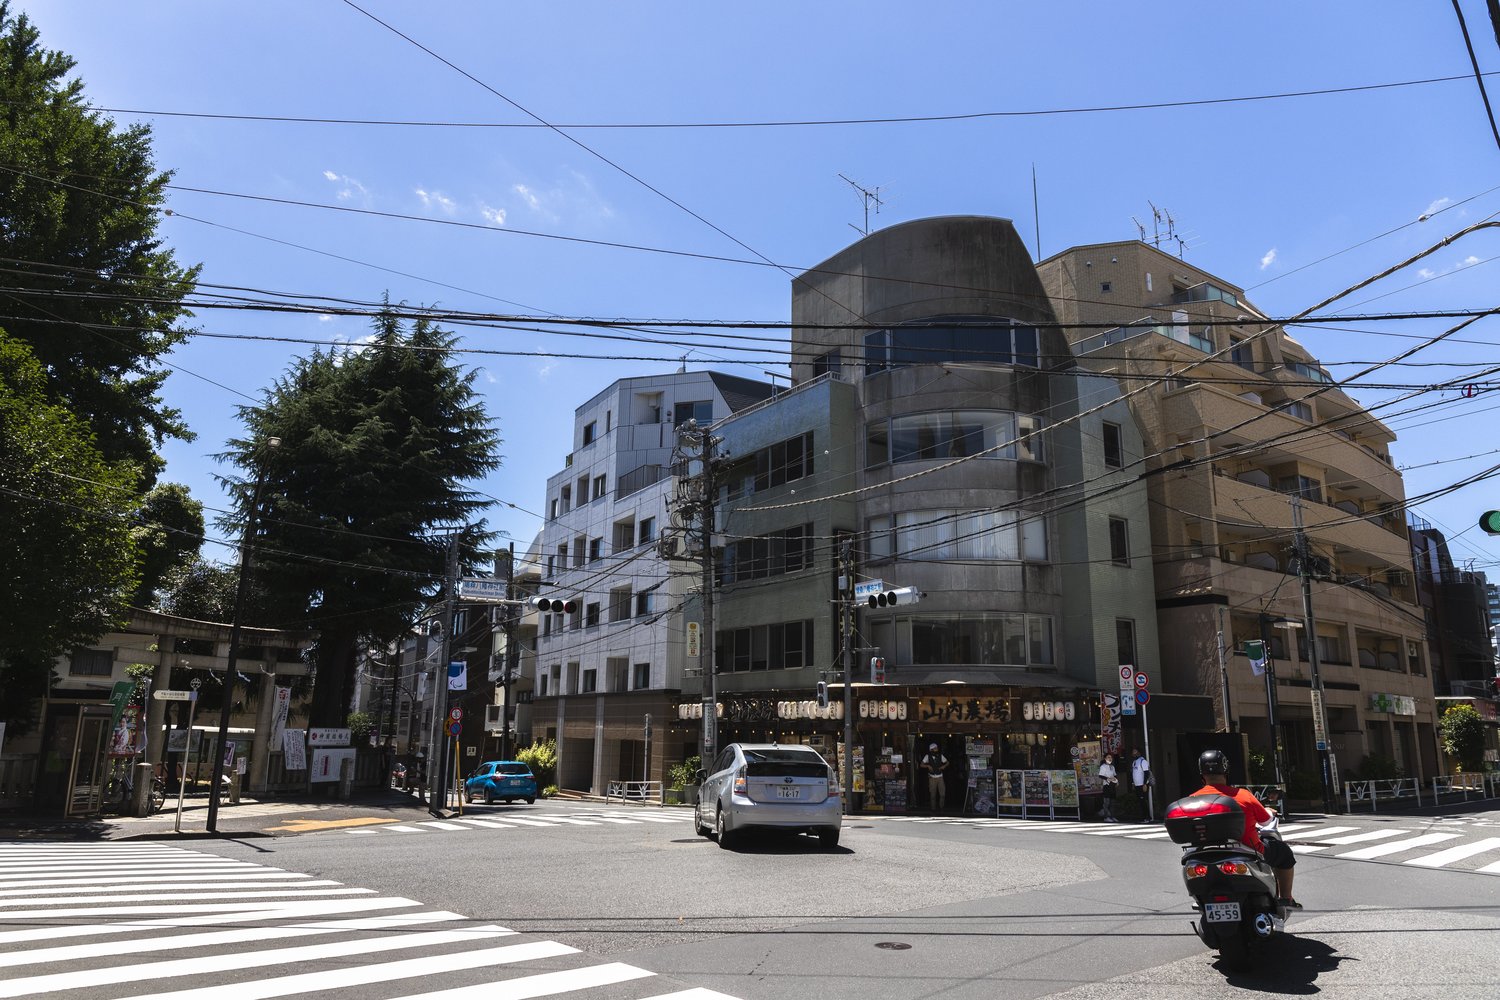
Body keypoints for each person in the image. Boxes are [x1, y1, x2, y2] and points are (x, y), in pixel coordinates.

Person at [1190, 749, 1300, 909]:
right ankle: (1286, 898)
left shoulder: (1192, 800)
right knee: (1284, 853)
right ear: (1226, 770)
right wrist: (1268, 810)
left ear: (1201, 773)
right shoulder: (1243, 795)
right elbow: (1266, 821)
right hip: (1249, 850)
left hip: (1203, 854)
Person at [921, 743, 948, 813]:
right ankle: (933, 809)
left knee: (942, 794)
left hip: (940, 777)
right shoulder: (927, 756)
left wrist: (944, 766)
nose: (937, 749)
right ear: (931, 749)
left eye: (937, 748)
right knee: (932, 794)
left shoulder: (940, 755)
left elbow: (947, 762)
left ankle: (941, 807)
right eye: (936, 748)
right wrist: (927, 766)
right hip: (932, 777)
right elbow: (921, 764)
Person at [1130, 748, 1152, 821]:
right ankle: (1143, 816)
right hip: (1137, 785)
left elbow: (1146, 773)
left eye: (1135, 751)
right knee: (1140, 801)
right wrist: (1133, 783)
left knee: (1143, 800)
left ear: (1139, 752)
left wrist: (1145, 784)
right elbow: (1133, 774)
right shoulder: (1134, 762)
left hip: (1143, 784)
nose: (1134, 753)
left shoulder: (1143, 761)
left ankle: (1147, 817)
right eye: (1133, 752)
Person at [1097, 753, 1119, 821]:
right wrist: (1108, 779)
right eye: (1108, 757)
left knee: (1113, 802)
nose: (1110, 758)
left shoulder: (1112, 767)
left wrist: (1117, 781)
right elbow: (1100, 775)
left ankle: (1112, 816)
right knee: (1106, 802)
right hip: (1106, 786)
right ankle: (1106, 817)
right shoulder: (1103, 766)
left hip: (1112, 786)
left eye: (1111, 757)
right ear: (1105, 758)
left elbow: (1115, 775)